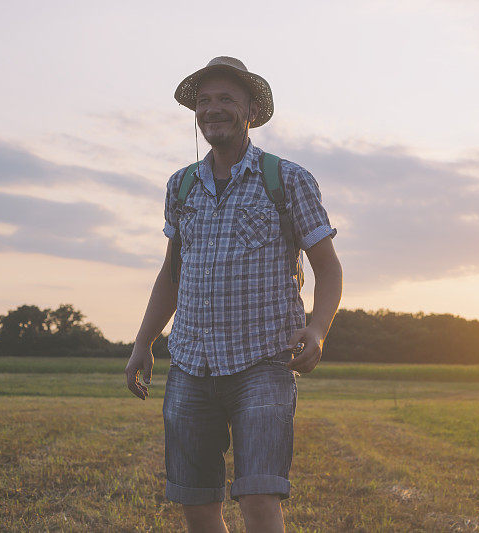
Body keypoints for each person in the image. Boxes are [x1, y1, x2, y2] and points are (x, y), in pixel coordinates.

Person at [124, 56, 343, 532]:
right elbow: (171, 274)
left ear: (250, 110)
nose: (213, 109)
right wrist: (144, 342)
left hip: (263, 361)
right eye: (204, 101)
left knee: (259, 497)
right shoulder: (181, 186)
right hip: (189, 364)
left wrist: (318, 329)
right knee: (197, 503)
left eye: (226, 99)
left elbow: (327, 267)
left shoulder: (286, 179)